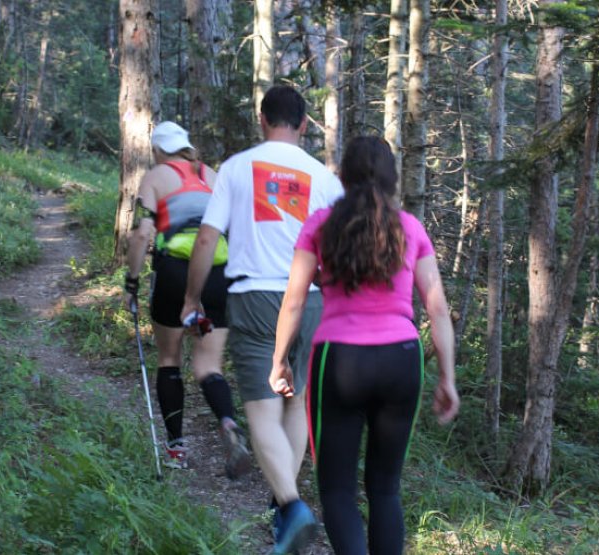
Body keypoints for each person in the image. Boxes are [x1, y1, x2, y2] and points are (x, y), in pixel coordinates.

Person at [268, 136, 460, 554]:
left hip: (339, 362)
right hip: (402, 361)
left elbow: (295, 300)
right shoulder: (410, 227)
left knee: (337, 489)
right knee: (385, 489)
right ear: (392, 180)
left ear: (343, 177)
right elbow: (438, 310)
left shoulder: (320, 223)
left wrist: (280, 360)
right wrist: (447, 377)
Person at [180, 86, 342, 554]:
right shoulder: (324, 178)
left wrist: (193, 297)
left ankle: (291, 507)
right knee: (295, 404)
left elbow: (207, 239)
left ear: (262, 119)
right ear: (305, 124)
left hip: (254, 297)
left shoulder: (235, 167)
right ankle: (281, 509)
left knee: (262, 409)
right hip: (310, 299)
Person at [123, 121, 251, 479]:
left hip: (175, 273)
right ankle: (227, 421)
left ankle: (176, 449)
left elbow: (141, 234)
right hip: (217, 274)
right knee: (209, 366)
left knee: (169, 359)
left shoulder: (156, 176)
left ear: (158, 150)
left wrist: (131, 282)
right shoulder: (211, 175)